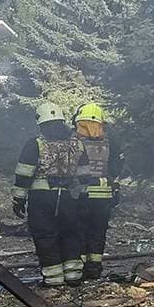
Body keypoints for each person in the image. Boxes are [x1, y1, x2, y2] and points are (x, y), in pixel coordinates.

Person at [12, 102, 80, 289]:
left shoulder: (35, 144)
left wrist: (18, 199)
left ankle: (53, 278)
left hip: (41, 198)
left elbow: (24, 174)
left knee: (45, 235)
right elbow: (85, 175)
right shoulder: (76, 144)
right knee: (70, 234)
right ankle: (73, 274)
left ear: (41, 123)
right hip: (68, 198)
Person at [68, 102, 119, 282]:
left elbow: (67, 169)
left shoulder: (72, 141)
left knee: (79, 231)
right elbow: (115, 169)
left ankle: (80, 267)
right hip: (103, 196)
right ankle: (94, 268)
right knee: (97, 232)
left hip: (81, 195)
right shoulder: (109, 141)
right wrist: (116, 189)